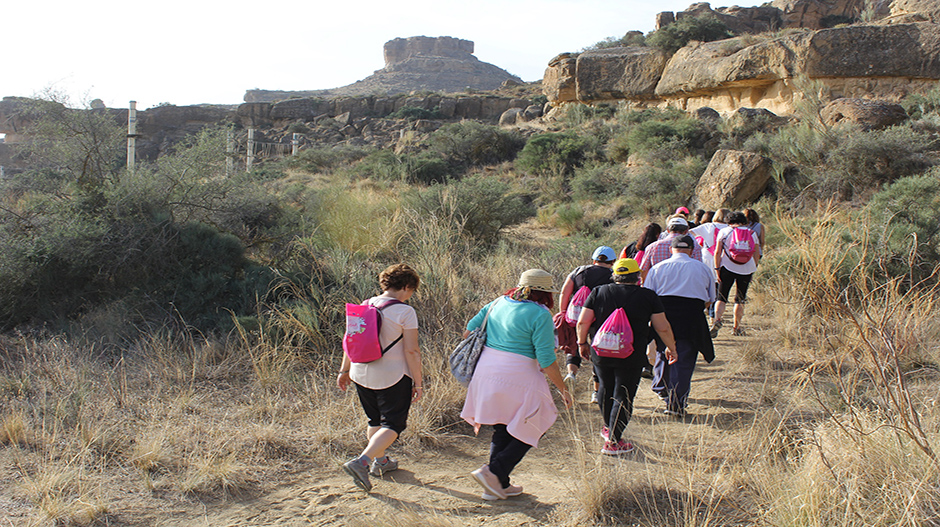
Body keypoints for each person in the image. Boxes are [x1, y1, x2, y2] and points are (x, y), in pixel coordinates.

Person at [461, 269, 573, 500]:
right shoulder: (540, 314)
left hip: (485, 371)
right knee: (537, 420)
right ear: (546, 293)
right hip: (519, 375)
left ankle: (497, 485)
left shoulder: (497, 303)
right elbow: (546, 359)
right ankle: (494, 471)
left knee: (503, 425)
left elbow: (468, 332)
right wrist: (563, 389)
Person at [576, 258, 678, 455]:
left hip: (601, 352)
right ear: (637, 276)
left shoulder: (599, 292)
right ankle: (613, 442)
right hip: (631, 354)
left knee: (605, 389)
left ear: (615, 276)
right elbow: (662, 327)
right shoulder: (648, 296)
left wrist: (582, 343)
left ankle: (608, 428)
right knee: (624, 394)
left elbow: (583, 322)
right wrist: (671, 347)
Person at [338, 263, 423, 492]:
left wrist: (344, 371)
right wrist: (418, 382)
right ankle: (362, 462)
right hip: (393, 375)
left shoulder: (364, 305)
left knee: (374, 420)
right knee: (394, 424)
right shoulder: (405, 312)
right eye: (411, 291)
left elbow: (350, 341)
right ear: (406, 287)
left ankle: (381, 462)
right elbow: (412, 351)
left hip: (360, 372)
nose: (410, 296)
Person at [643, 235, 716, 417]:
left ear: (671, 250)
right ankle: (676, 403)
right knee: (683, 361)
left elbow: (649, 296)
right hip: (691, 318)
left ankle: (661, 387)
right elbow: (710, 298)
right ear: (691, 250)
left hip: (663, 315)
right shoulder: (703, 269)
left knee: (662, 351)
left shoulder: (658, 268)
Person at [557, 246, 616, 402]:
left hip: (577, 316)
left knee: (575, 345)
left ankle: (571, 373)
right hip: (601, 320)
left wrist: (563, 312)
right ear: (613, 261)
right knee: (597, 352)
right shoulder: (613, 275)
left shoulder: (579, 271)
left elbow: (565, 291)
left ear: (594, 259)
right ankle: (596, 392)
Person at [712, 211, 761, 337]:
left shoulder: (724, 232)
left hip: (727, 267)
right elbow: (756, 252)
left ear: (728, 221)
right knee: (740, 298)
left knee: (721, 297)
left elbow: (717, 252)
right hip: (746, 269)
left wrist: (717, 268)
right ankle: (736, 327)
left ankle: (717, 320)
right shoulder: (752, 233)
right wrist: (753, 267)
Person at [640, 216, 703, 283]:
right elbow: (698, 269)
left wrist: (645, 286)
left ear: (668, 230)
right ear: (686, 231)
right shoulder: (695, 247)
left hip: (659, 287)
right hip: (685, 286)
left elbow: (644, 270)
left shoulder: (652, 247)